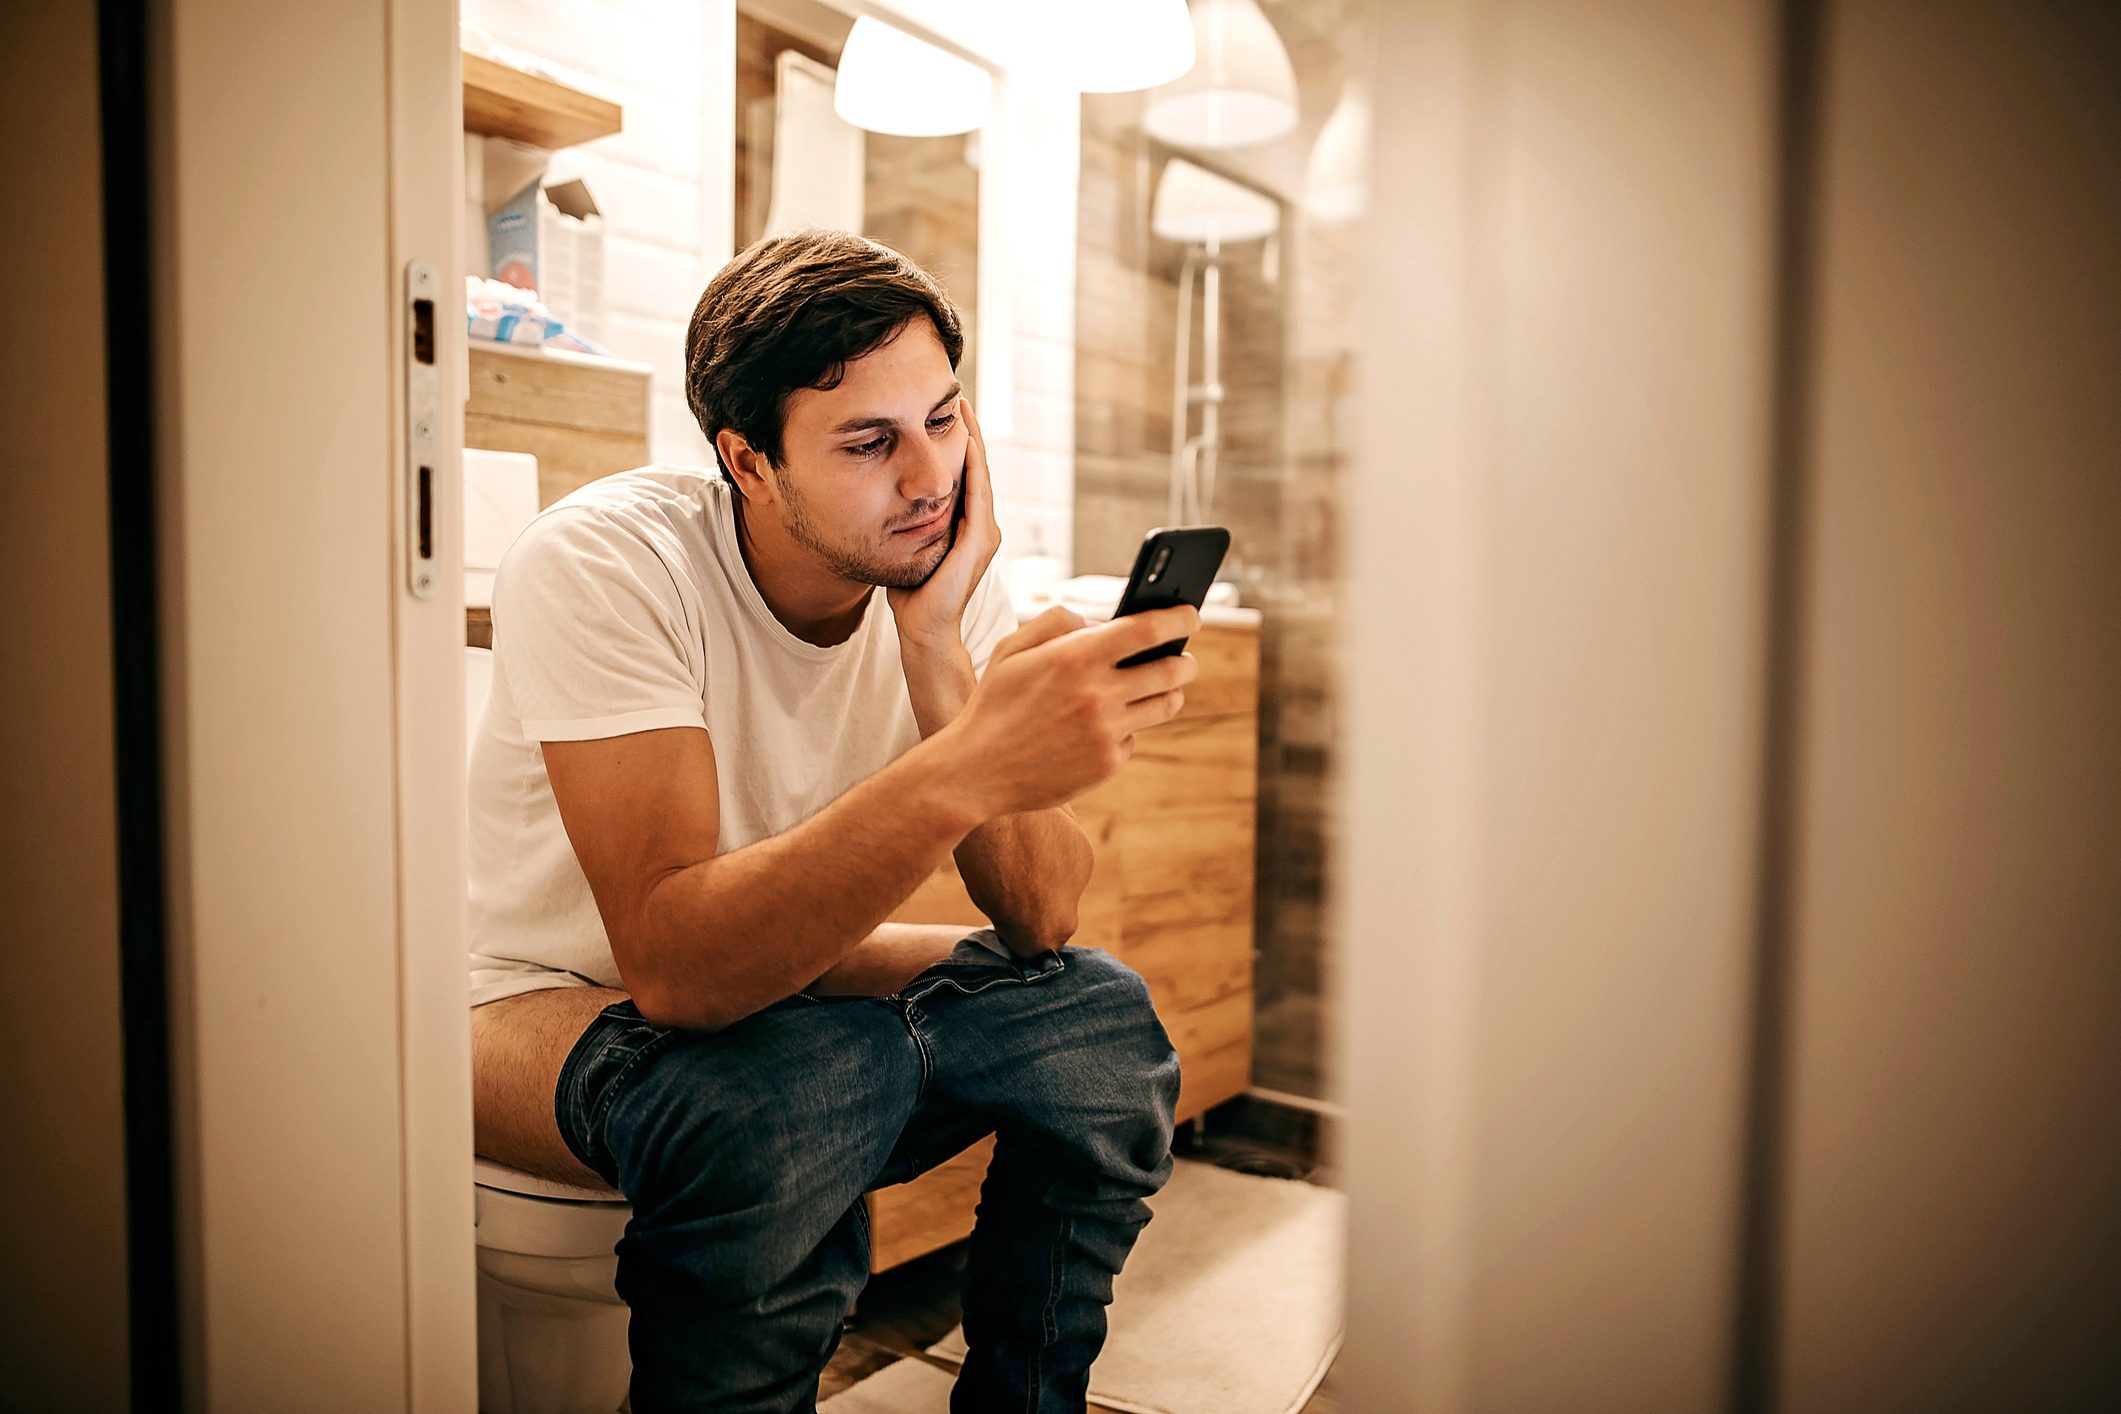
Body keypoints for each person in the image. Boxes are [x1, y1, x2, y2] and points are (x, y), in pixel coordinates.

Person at [465, 228, 1199, 1413]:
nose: (930, 477)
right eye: (871, 442)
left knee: (1098, 1021)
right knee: (797, 1084)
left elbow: (1043, 915)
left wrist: (935, 649)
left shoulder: (932, 565)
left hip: (781, 988)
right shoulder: (607, 562)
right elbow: (677, 969)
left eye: (945, 420)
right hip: (528, 996)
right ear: (747, 462)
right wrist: (969, 764)